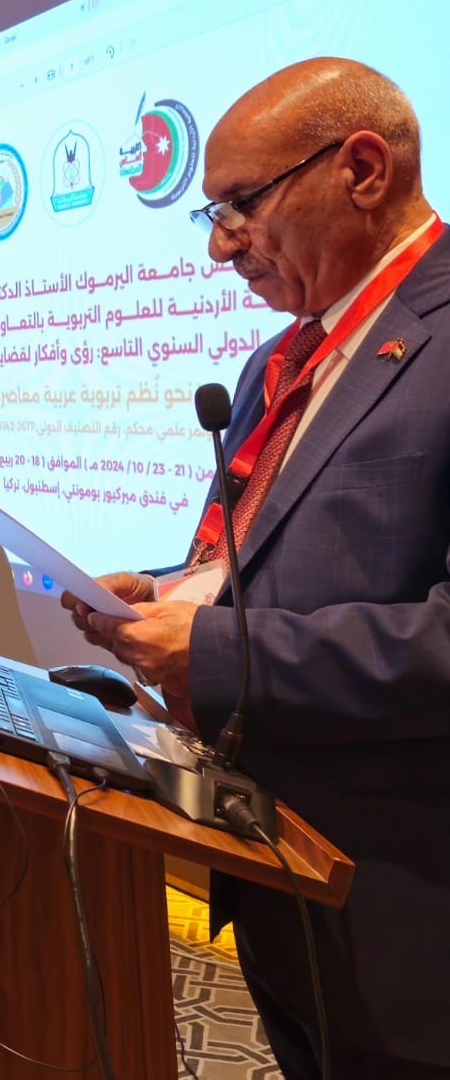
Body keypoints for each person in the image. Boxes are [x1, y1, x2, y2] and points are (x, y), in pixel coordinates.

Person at [63, 58, 450, 1079]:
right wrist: (171, 594)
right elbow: (265, 551)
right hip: (278, 865)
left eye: (241, 204)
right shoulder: (276, 361)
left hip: (409, 905)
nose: (220, 245)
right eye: (211, 214)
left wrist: (217, 652)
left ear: (362, 169)